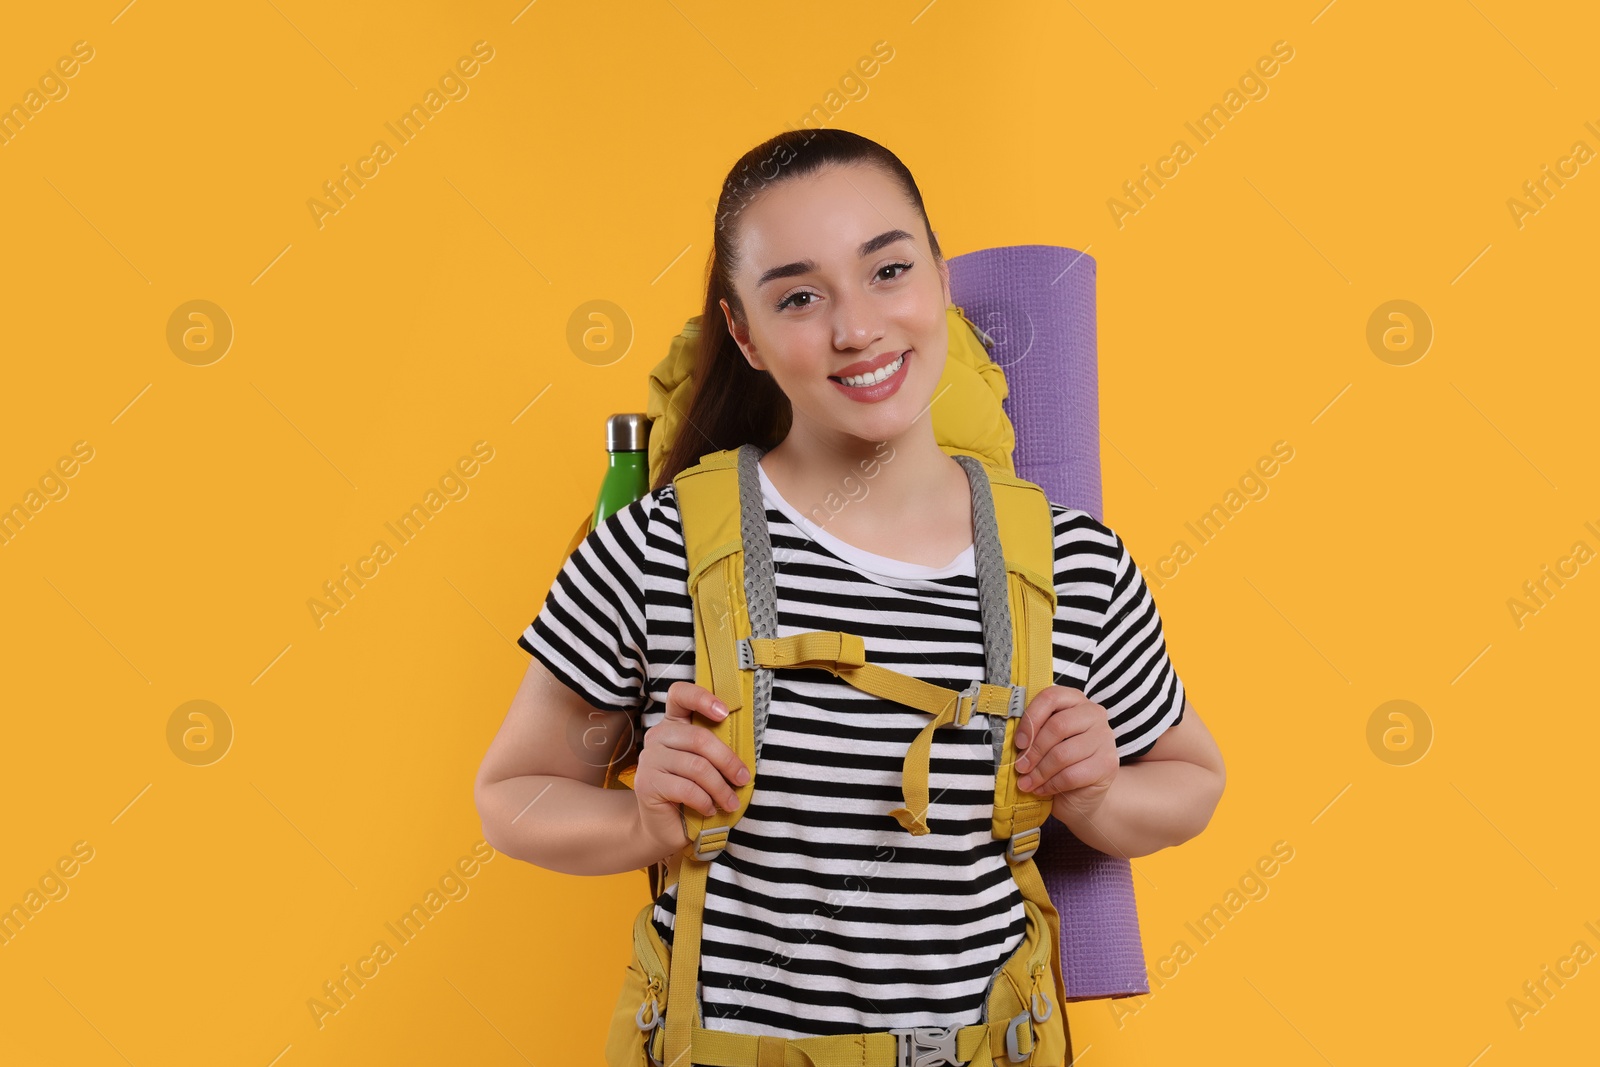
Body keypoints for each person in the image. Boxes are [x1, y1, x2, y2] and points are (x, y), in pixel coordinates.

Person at [475, 129, 1226, 1052]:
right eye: (799, 295)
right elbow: (512, 793)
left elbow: (1194, 780)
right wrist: (640, 819)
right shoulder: (655, 549)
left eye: (888, 270)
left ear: (941, 279)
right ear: (743, 333)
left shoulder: (1073, 564)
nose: (856, 327)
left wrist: (1099, 796)